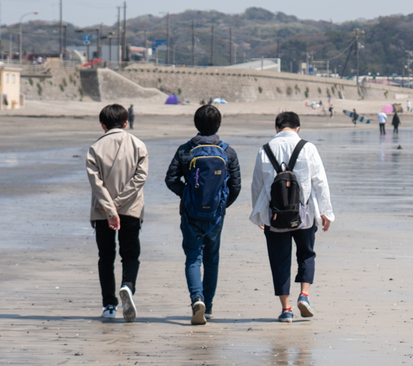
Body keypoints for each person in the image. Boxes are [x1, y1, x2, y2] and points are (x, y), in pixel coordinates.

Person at [251, 111, 335, 322]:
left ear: (277, 129)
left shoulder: (265, 149)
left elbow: (256, 185)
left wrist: (258, 215)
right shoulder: (308, 148)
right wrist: (326, 213)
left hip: (274, 216)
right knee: (306, 254)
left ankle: (286, 309)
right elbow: (320, 182)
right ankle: (304, 296)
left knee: (279, 261)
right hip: (304, 215)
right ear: (298, 128)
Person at [165, 103, 242, 325]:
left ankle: (196, 298)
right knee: (211, 258)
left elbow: (171, 180)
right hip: (216, 216)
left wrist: (187, 197)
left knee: (192, 257)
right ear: (218, 124)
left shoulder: (185, 150)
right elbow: (236, 186)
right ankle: (207, 306)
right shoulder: (228, 152)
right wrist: (221, 205)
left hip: (190, 214)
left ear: (196, 124)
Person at [86, 103, 148, 322]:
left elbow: (96, 183)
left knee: (106, 257)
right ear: (126, 122)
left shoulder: (95, 148)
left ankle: (109, 305)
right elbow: (139, 179)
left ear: (102, 125)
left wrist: (111, 209)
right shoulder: (138, 145)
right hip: (131, 209)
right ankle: (128, 286)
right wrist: (120, 205)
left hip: (102, 211)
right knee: (130, 254)